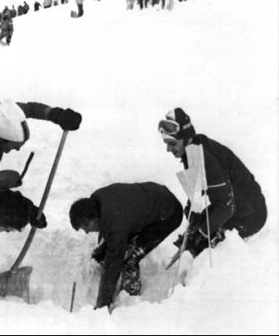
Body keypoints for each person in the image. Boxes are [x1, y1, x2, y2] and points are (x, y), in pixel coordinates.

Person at [158, 108, 267, 257]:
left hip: (251, 213)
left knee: (203, 243)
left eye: (172, 143)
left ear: (185, 138)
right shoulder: (191, 152)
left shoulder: (205, 157)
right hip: (232, 205)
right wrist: (193, 215)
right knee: (198, 231)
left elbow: (226, 207)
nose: (168, 149)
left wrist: (202, 233)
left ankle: (200, 272)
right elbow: (197, 193)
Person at [69, 182, 183, 310]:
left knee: (130, 256)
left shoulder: (116, 223)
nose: (87, 232)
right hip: (153, 198)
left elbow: (114, 262)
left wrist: (103, 305)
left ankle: (130, 294)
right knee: (113, 246)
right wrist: (104, 250)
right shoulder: (98, 200)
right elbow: (110, 228)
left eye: (85, 227)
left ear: (92, 219)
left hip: (168, 215)